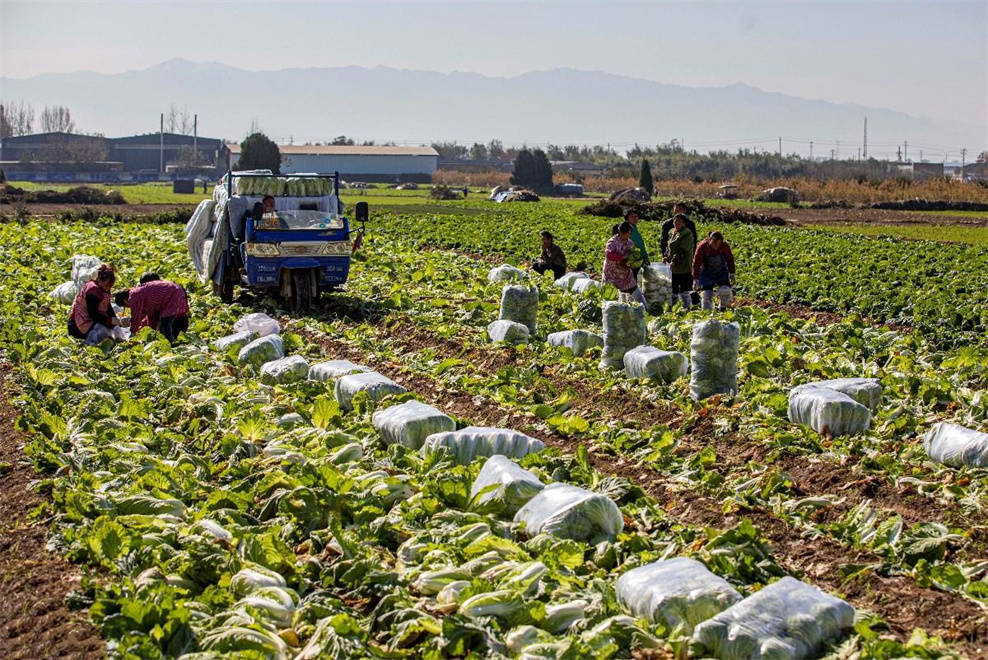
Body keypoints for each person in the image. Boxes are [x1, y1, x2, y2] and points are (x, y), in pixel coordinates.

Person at [115, 279, 190, 344]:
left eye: (125, 306)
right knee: (168, 321)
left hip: (172, 294)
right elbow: (145, 316)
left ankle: (170, 344)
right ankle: (175, 338)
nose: (128, 307)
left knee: (165, 323)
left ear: (125, 300)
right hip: (175, 290)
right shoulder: (138, 292)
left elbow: (136, 317)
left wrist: (132, 333)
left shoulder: (134, 296)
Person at [68, 264, 120, 344]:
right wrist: (110, 321)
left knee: (115, 330)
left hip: (95, 321)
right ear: (100, 279)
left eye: (110, 286)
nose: (108, 288)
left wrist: (116, 320)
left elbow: (108, 307)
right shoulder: (93, 290)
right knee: (104, 332)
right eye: (107, 285)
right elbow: (93, 314)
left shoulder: (104, 289)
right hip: (79, 325)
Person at [603, 222, 647, 306]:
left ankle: (645, 309)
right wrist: (622, 257)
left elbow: (632, 254)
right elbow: (609, 255)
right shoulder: (612, 242)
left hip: (625, 273)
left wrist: (634, 262)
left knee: (634, 290)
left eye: (629, 233)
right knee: (612, 295)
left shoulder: (630, 243)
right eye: (627, 233)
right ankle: (614, 311)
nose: (628, 235)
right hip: (612, 273)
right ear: (620, 232)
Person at [692, 231, 736, 311]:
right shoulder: (702, 246)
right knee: (706, 294)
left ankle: (723, 308)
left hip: (721, 271)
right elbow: (696, 263)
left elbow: (730, 259)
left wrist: (732, 273)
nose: (716, 246)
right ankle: (707, 313)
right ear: (709, 240)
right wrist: (695, 278)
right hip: (706, 273)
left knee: (725, 290)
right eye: (714, 243)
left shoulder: (725, 246)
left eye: (718, 244)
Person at [665, 214, 696, 309]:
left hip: (683, 267)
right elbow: (669, 247)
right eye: (675, 221)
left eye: (679, 221)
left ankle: (686, 308)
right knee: (673, 289)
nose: (676, 223)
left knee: (684, 290)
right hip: (673, 267)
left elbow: (682, 251)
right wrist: (666, 257)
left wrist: (674, 261)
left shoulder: (687, 234)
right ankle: (672, 308)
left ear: (684, 223)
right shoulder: (673, 232)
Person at [623, 209, 649, 280]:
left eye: (636, 216)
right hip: (632, 259)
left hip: (629, 259)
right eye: (632, 216)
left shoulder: (630, 227)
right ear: (627, 218)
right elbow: (639, 245)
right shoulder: (630, 228)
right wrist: (645, 257)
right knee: (632, 280)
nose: (635, 218)